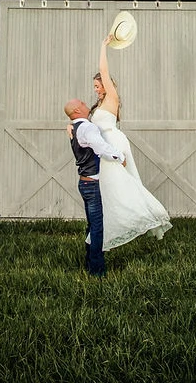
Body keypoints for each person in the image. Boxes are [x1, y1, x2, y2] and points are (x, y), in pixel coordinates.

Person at [89, 34, 172, 250]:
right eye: (95, 86)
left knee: (120, 184)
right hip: (103, 146)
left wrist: (103, 46)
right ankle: (105, 227)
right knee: (110, 187)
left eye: (98, 85)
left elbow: (104, 71)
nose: (96, 89)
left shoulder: (111, 98)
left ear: (107, 85)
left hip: (113, 142)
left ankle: (141, 216)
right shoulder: (99, 105)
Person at [63, 98, 126, 277]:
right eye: (81, 104)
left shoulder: (75, 128)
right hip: (92, 183)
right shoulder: (87, 128)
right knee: (97, 227)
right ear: (76, 111)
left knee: (92, 225)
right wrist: (120, 157)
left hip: (84, 183)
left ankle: (89, 262)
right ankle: (97, 271)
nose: (85, 104)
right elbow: (100, 147)